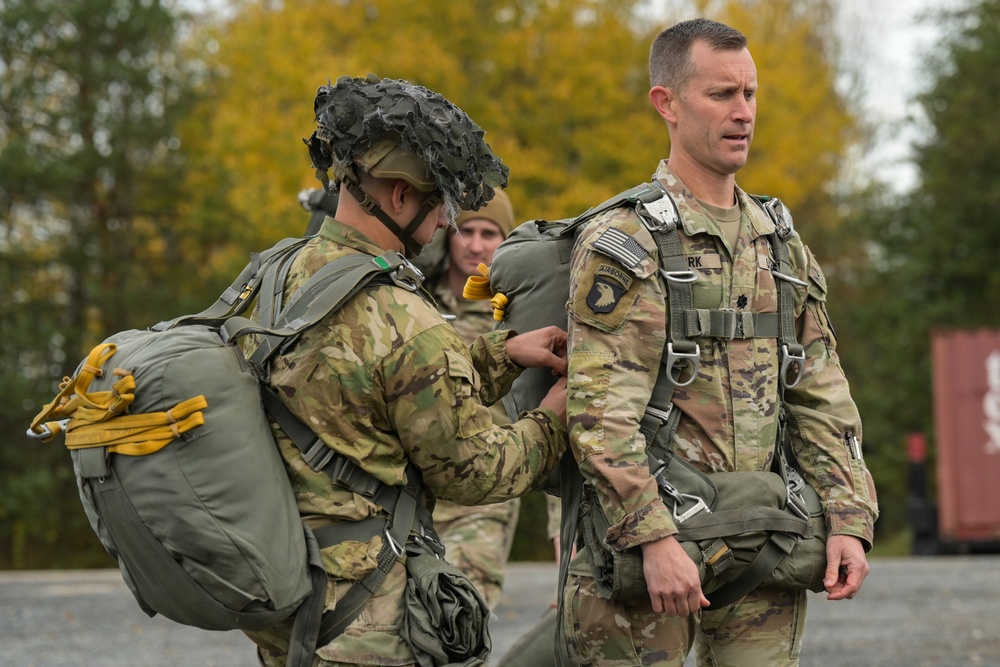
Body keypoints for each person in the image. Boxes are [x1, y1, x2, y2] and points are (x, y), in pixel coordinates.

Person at [559, 19, 878, 667]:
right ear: (667, 104)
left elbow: (820, 394)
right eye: (721, 94)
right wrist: (654, 539)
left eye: (750, 94)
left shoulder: (781, 247)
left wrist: (848, 517)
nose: (742, 113)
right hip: (649, 556)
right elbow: (599, 413)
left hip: (763, 545)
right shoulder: (628, 244)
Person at [243, 74, 569, 667]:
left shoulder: (274, 276)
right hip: (370, 623)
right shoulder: (405, 316)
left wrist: (501, 354)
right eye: (440, 203)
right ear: (398, 195)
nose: (446, 223)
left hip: (287, 603)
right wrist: (552, 417)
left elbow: (361, 387)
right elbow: (473, 475)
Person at [424, 189, 524, 610]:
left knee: (460, 614)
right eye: (466, 230)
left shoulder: (518, 313)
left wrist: (563, 536)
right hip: (415, 490)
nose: (477, 244)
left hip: (484, 490)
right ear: (447, 234)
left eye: (490, 232)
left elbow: (558, 409)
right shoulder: (413, 298)